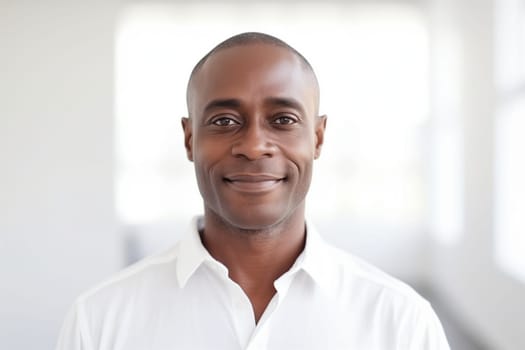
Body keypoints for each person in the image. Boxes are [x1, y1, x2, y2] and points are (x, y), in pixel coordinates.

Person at [56, 32, 450, 350]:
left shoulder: (401, 322)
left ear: (317, 137)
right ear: (190, 139)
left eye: (283, 119)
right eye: (225, 120)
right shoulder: (98, 322)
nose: (253, 145)